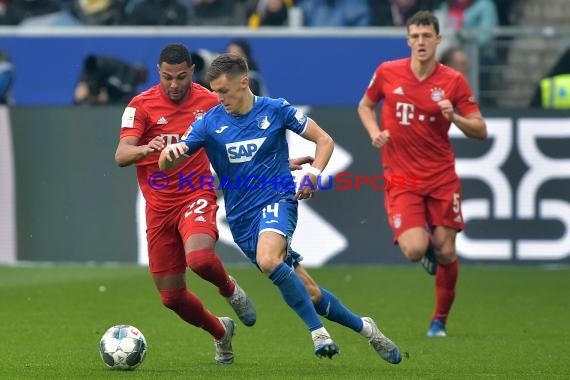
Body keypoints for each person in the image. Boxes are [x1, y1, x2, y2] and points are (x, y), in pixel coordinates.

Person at [158, 53, 402, 363]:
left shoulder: (275, 110)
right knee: (310, 293)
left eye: (224, 91)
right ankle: (367, 329)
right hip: (243, 220)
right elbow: (168, 164)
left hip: (277, 200)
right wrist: (171, 152)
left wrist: (314, 175)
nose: (218, 98)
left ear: (244, 82)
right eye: (214, 91)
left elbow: (324, 140)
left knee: (269, 259)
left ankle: (318, 333)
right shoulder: (209, 122)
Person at [114, 43, 257, 365]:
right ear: (158, 72)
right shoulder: (141, 105)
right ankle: (221, 332)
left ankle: (230, 289)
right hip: (159, 208)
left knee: (201, 259)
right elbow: (121, 155)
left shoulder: (210, 101)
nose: (174, 84)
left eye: (181, 77)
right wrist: (148, 149)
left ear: (192, 71)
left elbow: (239, 139)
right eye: (167, 77)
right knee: (172, 298)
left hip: (196, 194)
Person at [357, 11, 487, 337]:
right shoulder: (388, 72)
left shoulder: (452, 81)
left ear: (438, 40)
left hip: (441, 175)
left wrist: (454, 116)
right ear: (408, 40)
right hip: (401, 176)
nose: (420, 42)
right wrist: (374, 132)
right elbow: (365, 105)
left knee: (446, 251)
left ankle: (439, 320)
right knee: (415, 250)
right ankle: (424, 246)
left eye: (426, 36)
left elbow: (480, 129)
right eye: (414, 36)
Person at [74, 54, 148, 106]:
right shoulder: (120, 69)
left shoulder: (129, 88)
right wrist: (83, 81)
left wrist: (108, 99)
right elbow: (92, 62)